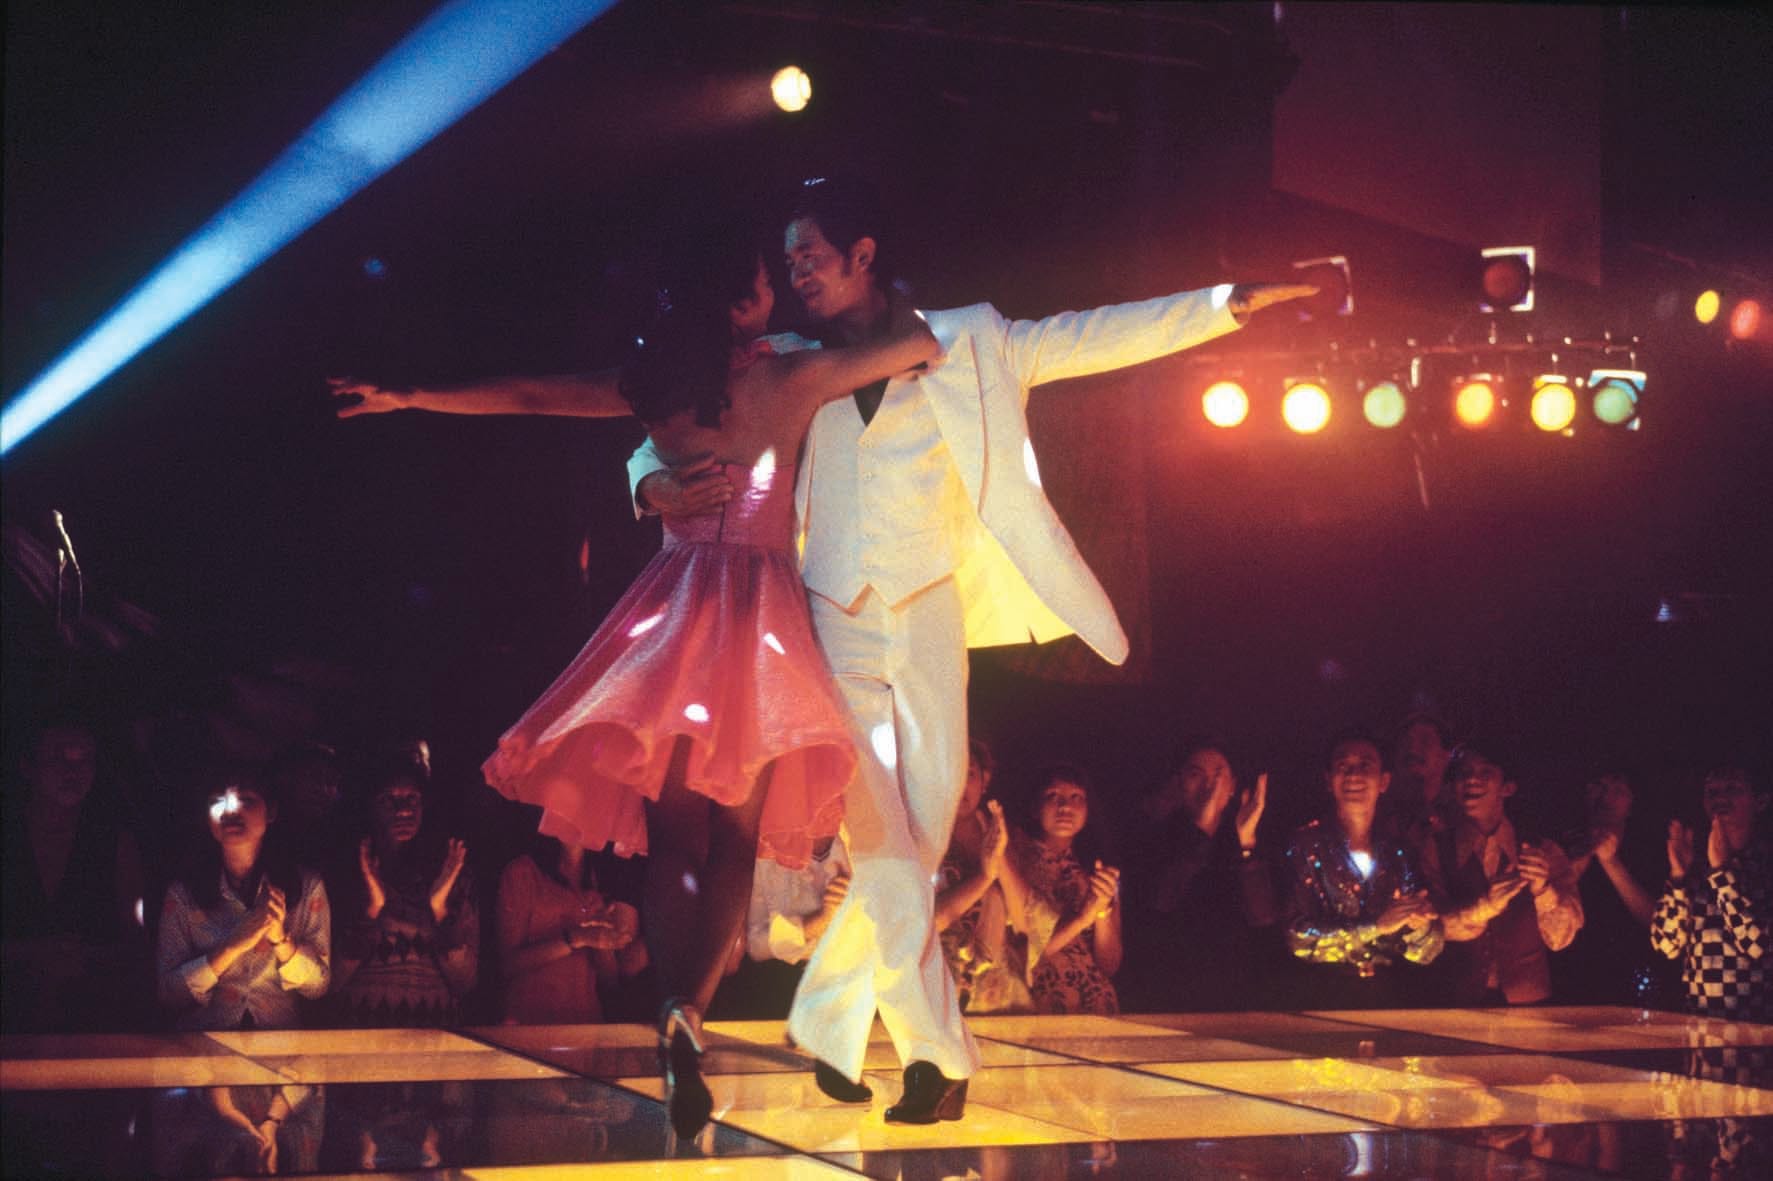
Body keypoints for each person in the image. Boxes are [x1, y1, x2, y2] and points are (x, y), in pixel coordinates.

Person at [630, 177, 1313, 1121]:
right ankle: (934, 1056)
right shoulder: (777, 361)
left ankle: (829, 1017)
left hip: (928, 614)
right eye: (787, 262)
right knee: (877, 835)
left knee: (916, 831)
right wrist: (648, 485)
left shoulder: (967, 339)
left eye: (808, 256)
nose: (794, 274)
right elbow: (662, 413)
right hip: (824, 618)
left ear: (862, 252)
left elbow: (1089, 335)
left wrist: (1219, 306)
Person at [334, 217, 942, 1135]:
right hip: (759, 619)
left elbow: (535, 394)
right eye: (767, 283)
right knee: (734, 840)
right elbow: (920, 344)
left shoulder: (660, 385)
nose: (779, 288)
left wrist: (412, 393)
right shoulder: (786, 375)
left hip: (673, 613)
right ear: (744, 300)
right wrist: (865, 294)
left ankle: (670, 1005)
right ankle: (688, 1013)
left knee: (675, 841)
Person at [2, 714, 148, 1032]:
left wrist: (86, 958)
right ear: (29, 767)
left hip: (91, 1019)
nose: (73, 771)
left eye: (84, 760)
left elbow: (137, 941)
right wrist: (32, 954)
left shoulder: (112, 843)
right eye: (59, 758)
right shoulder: (8, 839)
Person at [156, 768, 330, 1030]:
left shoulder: (306, 887)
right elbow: (169, 994)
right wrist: (232, 946)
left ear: (270, 811)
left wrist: (280, 941)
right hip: (203, 1053)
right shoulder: (183, 894)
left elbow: (318, 986)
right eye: (218, 802)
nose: (230, 811)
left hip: (279, 1048)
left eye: (245, 800)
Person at [1283, 731, 1445, 1008]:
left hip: (1391, 1002)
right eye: (1343, 766)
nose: (1353, 775)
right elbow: (1299, 940)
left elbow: (1426, 952)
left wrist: (1420, 926)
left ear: (1384, 781)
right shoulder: (1306, 846)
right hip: (1320, 1001)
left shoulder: (1400, 852)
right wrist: (1376, 926)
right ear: (1328, 780)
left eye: (1365, 766)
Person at [1418, 740, 1583, 1005]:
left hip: (1529, 1006)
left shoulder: (1544, 850)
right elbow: (1429, 926)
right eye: (1464, 773)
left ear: (1507, 788)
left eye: (1485, 773)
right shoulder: (1435, 847)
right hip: (1456, 1004)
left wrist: (1543, 891)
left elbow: (1561, 939)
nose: (1472, 779)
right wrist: (1485, 907)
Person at [1119, 741, 1281, 1012]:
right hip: (1170, 990)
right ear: (1179, 783)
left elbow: (1264, 917)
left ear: (1232, 787)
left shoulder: (1246, 837)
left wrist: (1246, 842)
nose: (1210, 785)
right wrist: (1202, 829)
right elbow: (1160, 905)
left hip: (1238, 993)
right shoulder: (1152, 838)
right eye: (1197, 774)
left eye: (1218, 775)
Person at [330, 754, 478, 1028]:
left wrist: (440, 911)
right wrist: (372, 908)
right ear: (368, 808)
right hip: (361, 1035)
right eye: (389, 800)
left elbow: (464, 983)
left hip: (434, 1039)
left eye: (412, 799)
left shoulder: (451, 875)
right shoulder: (348, 875)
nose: (403, 810)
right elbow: (332, 982)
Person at [1651, 764, 1771, 1022]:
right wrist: (1678, 876)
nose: (1720, 798)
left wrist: (1721, 872)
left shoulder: (1765, 865)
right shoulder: (1698, 867)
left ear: (1760, 801)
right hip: (1700, 1031)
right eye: (1712, 791)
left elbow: (1757, 945)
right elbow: (1666, 945)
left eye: (1732, 789)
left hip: (1757, 1032)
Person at [497, 832, 643, 1024]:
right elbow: (508, 965)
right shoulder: (523, 872)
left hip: (584, 1025)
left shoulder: (598, 878)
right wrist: (575, 938)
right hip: (531, 1025)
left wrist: (601, 938)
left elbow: (609, 981)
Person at [1013, 763, 1123, 1015]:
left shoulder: (1097, 870)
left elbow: (1109, 964)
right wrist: (1084, 917)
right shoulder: (1015, 859)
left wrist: (1102, 910)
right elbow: (1028, 952)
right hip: (1040, 1004)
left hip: (1096, 1007)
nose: (1065, 807)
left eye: (1077, 798)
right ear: (1034, 806)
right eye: (1053, 796)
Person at [936, 738, 1031, 1015]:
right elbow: (928, 919)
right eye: (952, 772)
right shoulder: (923, 840)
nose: (961, 785)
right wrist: (984, 876)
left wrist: (998, 854)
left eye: (969, 774)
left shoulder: (1004, 835)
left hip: (998, 988)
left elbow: (1025, 921)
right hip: (942, 978)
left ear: (984, 781)